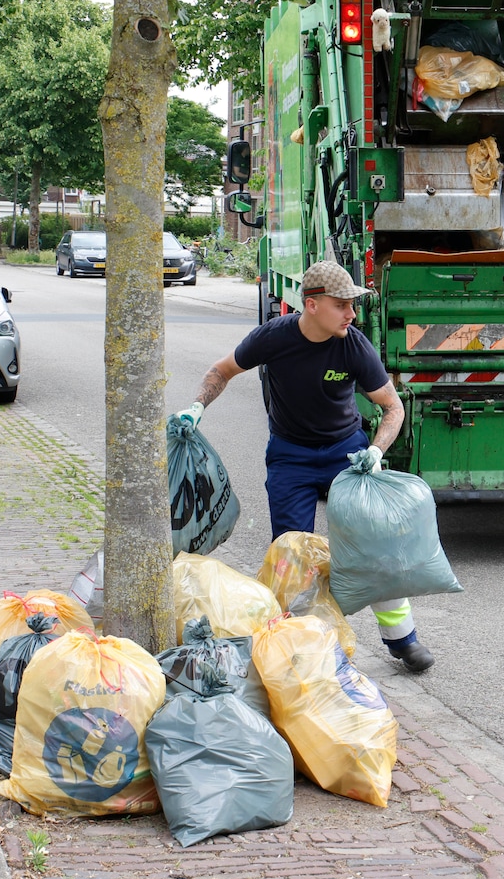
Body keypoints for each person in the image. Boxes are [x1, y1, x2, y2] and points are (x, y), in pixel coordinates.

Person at [179, 260, 435, 671]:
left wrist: (375, 451)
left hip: (347, 453)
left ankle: (403, 640)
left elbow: (393, 407)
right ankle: (299, 647)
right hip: (291, 456)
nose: (352, 314)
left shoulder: (353, 345)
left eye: (353, 304)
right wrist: (197, 407)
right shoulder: (273, 338)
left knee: (375, 545)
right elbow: (222, 370)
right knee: (292, 557)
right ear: (312, 305)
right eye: (342, 305)